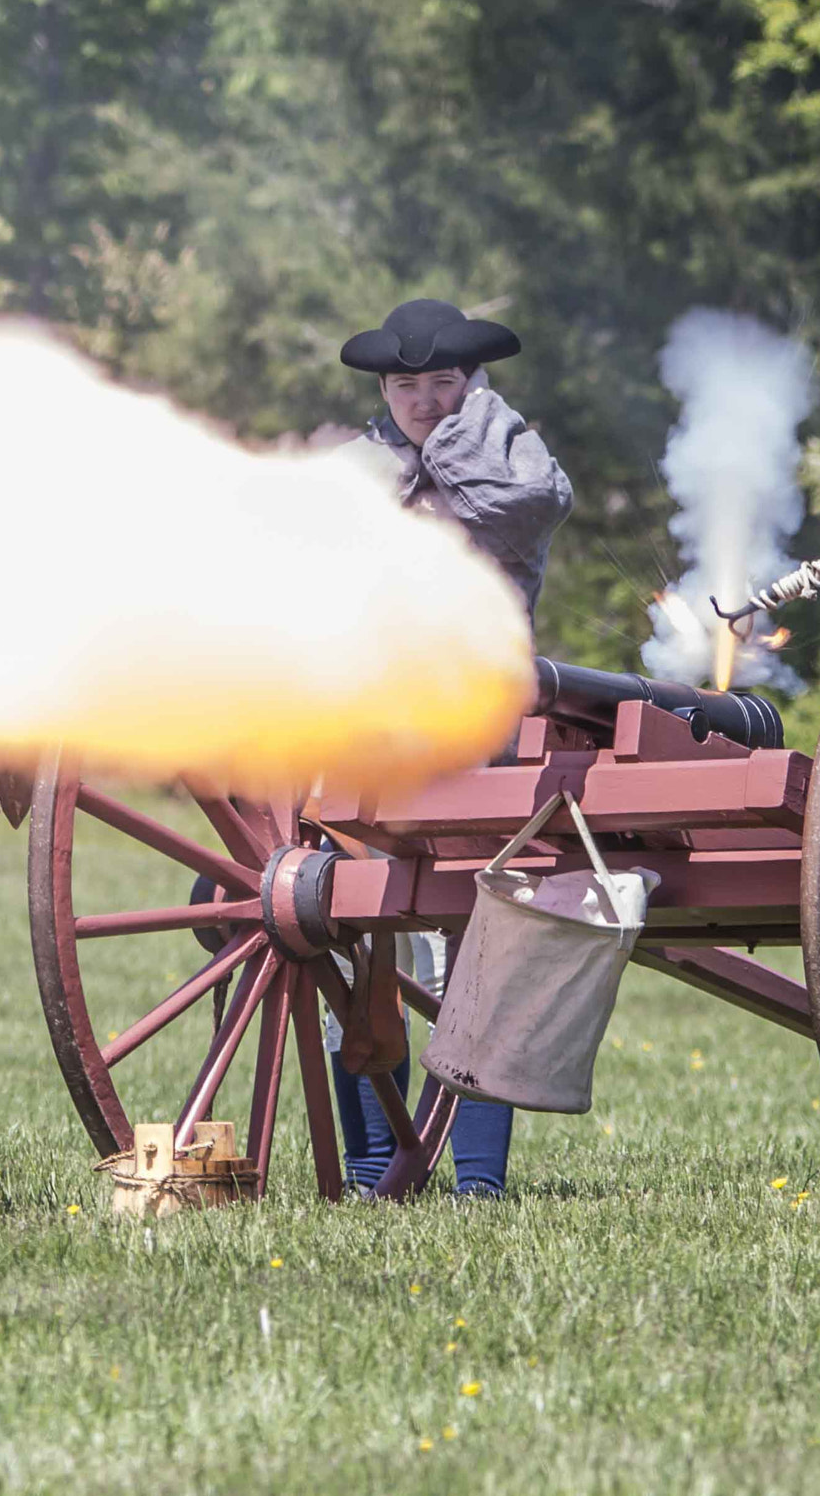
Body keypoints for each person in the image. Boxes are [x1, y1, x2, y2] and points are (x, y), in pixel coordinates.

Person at [332, 298, 575, 1197]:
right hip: (360, 722)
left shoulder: (510, 452)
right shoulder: (355, 468)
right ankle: (367, 1167)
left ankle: (478, 1180)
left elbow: (526, 510)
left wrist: (439, 454)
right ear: (382, 388)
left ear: (472, 384)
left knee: (476, 945)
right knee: (358, 949)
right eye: (406, 387)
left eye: (443, 383)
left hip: (478, 720)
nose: (425, 402)